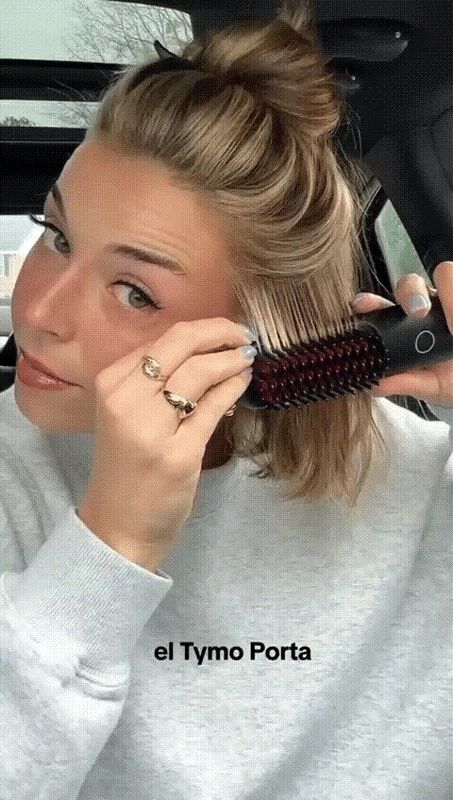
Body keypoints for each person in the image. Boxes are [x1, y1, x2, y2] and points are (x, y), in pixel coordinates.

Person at [1, 4, 452, 798]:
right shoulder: (10, 480)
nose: (35, 310)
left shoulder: (420, 480)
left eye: (134, 291)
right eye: (58, 234)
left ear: (261, 330)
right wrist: (109, 546)